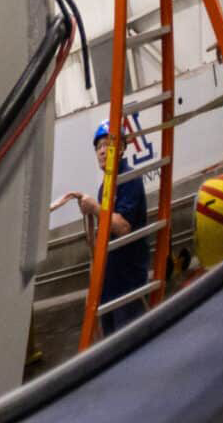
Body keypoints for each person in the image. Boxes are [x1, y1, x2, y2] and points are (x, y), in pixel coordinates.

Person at [79, 121, 153, 335]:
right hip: (109, 286)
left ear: (120, 148)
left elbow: (122, 227)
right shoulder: (105, 186)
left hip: (128, 285)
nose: (102, 151)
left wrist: (94, 208)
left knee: (131, 346)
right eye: (98, 147)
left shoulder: (130, 179)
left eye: (106, 145)